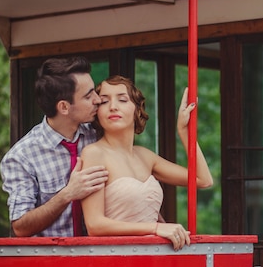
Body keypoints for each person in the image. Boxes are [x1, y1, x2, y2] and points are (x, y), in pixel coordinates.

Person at [80, 75, 213, 250]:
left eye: (122, 99)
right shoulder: (94, 154)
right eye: (104, 102)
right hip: (114, 257)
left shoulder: (145, 156)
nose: (113, 107)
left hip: (152, 256)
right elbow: (95, 225)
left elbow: (203, 180)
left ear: (137, 109)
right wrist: (157, 228)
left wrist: (184, 131)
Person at [1, 57, 109, 237]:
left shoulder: (99, 135)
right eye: (88, 96)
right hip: (53, 260)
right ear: (64, 107)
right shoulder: (21, 157)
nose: (98, 100)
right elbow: (20, 226)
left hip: (102, 255)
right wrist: (68, 194)